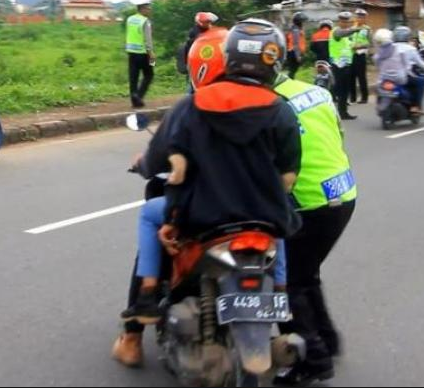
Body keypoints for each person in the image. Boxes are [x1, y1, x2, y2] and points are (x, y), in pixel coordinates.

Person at [112, 21, 302, 365]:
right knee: (281, 219)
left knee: (151, 215)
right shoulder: (281, 110)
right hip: (261, 219)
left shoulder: (192, 106)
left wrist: (145, 165)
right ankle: (280, 294)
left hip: (203, 217)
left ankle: (142, 309)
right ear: (275, 61)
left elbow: (158, 156)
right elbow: (288, 176)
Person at [271, 73, 357, 386]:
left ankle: (313, 360)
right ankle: (328, 339)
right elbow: (339, 133)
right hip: (342, 194)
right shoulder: (314, 91)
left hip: (308, 203)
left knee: (288, 281)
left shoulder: (270, 104)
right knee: (306, 273)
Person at [393, 26, 424, 114]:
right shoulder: (411, 49)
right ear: (408, 37)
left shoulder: (389, 48)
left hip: (388, 76)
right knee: (421, 81)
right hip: (404, 77)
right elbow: (420, 63)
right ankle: (415, 106)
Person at [330, 11, 359, 120]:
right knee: (337, 90)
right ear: (339, 22)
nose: (345, 23)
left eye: (347, 22)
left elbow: (350, 48)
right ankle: (333, 113)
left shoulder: (347, 36)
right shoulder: (336, 31)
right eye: (343, 21)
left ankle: (343, 112)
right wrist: (354, 29)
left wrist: (361, 46)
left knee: (345, 91)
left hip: (346, 65)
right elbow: (341, 34)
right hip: (337, 66)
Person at [126, 0, 155, 108]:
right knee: (149, 74)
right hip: (144, 53)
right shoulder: (145, 21)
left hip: (131, 52)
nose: (149, 10)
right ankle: (139, 96)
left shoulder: (130, 19)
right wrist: (151, 53)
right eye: (148, 8)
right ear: (142, 8)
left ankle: (134, 99)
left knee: (133, 77)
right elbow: (148, 39)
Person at [349, 9, 372, 104]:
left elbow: (369, 42)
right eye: (358, 16)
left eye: (362, 17)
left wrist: (360, 46)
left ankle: (364, 97)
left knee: (361, 77)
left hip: (361, 54)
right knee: (351, 77)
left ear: (365, 18)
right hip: (351, 55)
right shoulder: (352, 28)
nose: (360, 19)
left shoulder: (367, 29)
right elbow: (348, 40)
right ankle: (353, 97)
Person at [286, 12, 308, 79]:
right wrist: (298, 56)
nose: (304, 24)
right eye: (302, 22)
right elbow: (296, 43)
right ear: (299, 22)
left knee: (292, 71)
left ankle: (289, 82)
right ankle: (288, 84)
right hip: (294, 52)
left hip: (293, 52)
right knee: (292, 71)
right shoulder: (296, 30)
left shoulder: (294, 29)